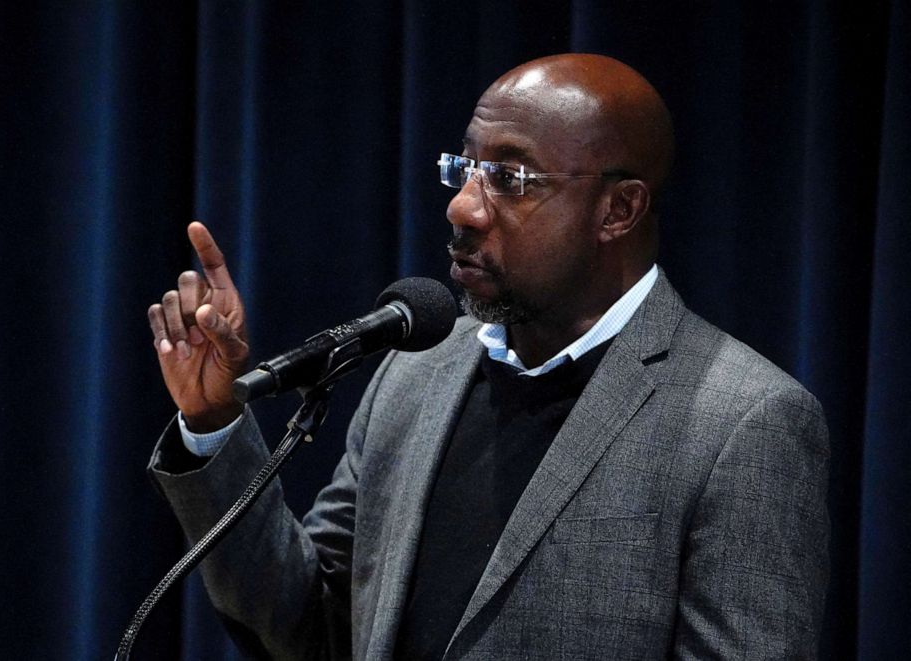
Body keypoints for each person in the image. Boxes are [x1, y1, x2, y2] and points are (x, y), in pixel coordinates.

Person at [146, 53, 830, 659]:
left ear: (617, 210)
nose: (465, 208)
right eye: (465, 169)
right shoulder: (417, 370)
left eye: (510, 177)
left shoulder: (743, 421)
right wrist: (212, 419)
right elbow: (310, 627)